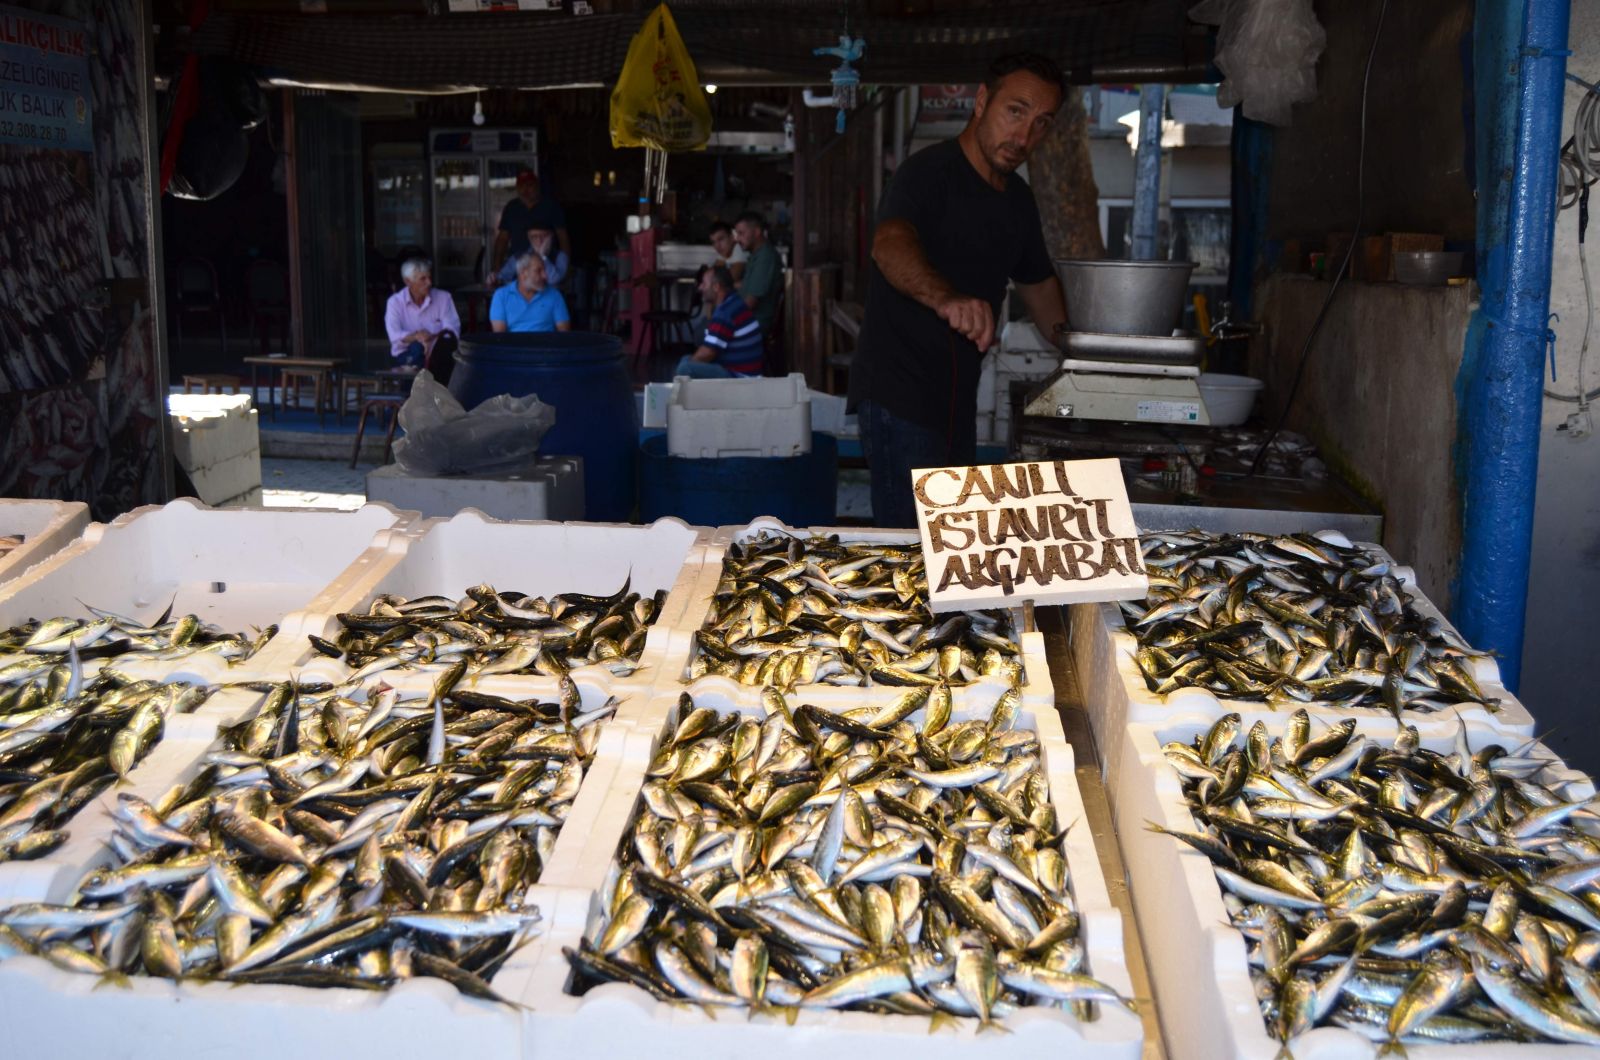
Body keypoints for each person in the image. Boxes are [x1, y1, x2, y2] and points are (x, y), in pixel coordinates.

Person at [848, 52, 1069, 528]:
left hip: (957, 401)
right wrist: (946, 298)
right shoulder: (927, 173)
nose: (1024, 137)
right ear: (982, 101)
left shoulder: (1018, 200)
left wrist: (1083, 348)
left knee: (952, 543)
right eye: (1016, 112)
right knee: (912, 547)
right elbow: (889, 245)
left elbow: (1039, 285)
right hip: (899, 397)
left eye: (1041, 123)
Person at [674, 265, 762, 379]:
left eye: (704, 283)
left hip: (740, 378)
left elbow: (708, 352)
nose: (700, 287)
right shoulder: (734, 301)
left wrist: (688, 365)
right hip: (742, 372)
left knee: (685, 368)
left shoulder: (725, 312)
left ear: (716, 287)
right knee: (685, 360)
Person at [383, 257, 460, 378]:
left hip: (438, 355)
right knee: (416, 348)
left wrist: (431, 337)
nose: (429, 283)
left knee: (446, 353)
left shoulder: (444, 298)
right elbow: (394, 335)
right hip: (407, 355)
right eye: (423, 279)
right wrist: (416, 337)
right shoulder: (395, 302)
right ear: (408, 281)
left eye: (429, 277)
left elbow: (453, 330)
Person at [490, 170, 570, 282]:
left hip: (547, 267)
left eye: (529, 185)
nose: (525, 190)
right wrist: (497, 267)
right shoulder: (512, 208)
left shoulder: (551, 206)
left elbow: (563, 238)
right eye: (521, 186)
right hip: (518, 264)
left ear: (537, 185)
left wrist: (565, 267)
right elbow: (502, 239)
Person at [490, 252, 571, 333]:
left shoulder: (555, 295)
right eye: (538, 271)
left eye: (544, 270)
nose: (545, 276)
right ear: (523, 273)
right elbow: (500, 336)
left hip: (546, 341)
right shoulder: (501, 296)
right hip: (513, 342)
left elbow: (564, 334)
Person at [733, 210, 781, 335]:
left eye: (741, 233)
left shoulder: (766, 257)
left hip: (755, 322)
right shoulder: (757, 254)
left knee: (704, 331)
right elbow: (748, 284)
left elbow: (750, 303)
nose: (737, 239)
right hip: (748, 320)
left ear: (757, 232)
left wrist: (726, 316)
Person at [496, 222, 568, 287]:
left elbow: (554, 280)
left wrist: (542, 256)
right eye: (534, 237)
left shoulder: (560, 256)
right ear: (529, 238)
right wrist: (495, 279)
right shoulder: (519, 256)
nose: (539, 240)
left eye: (543, 236)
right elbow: (502, 277)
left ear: (551, 236)